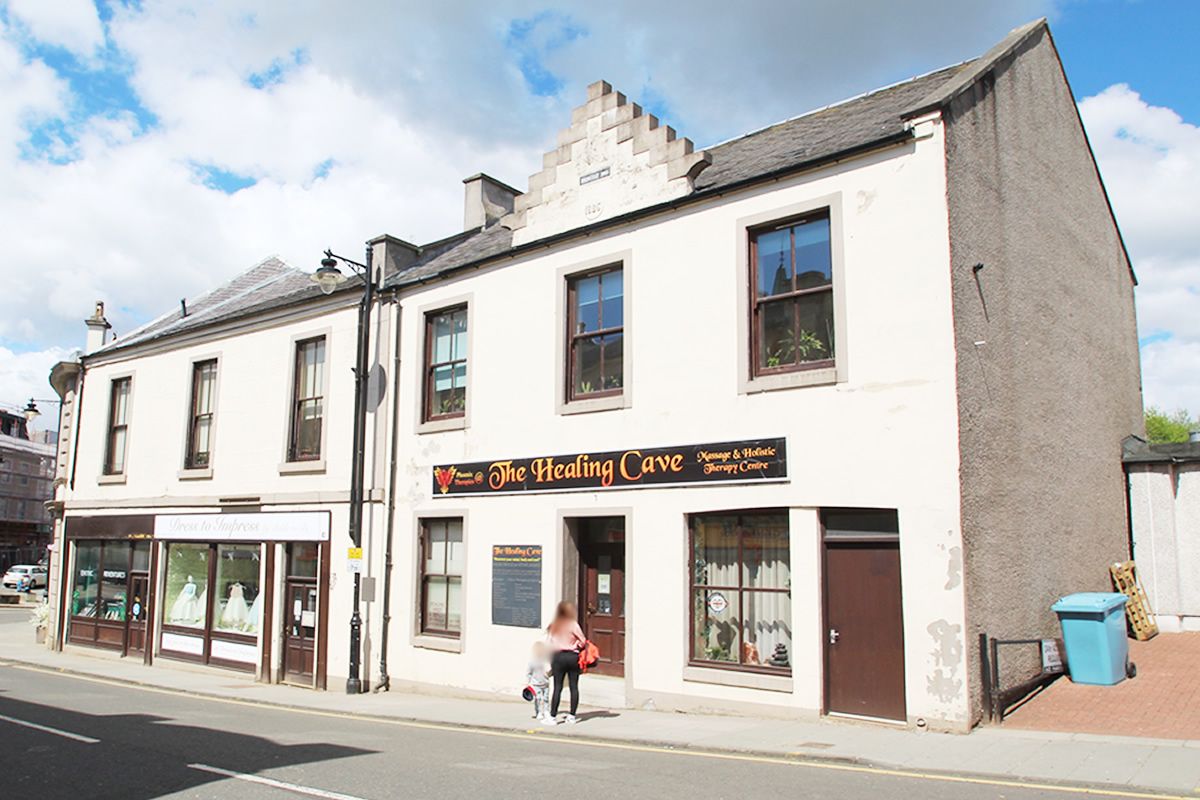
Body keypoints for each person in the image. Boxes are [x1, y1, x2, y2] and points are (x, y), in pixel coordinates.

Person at [544, 600, 586, 725]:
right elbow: (583, 641)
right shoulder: (573, 624)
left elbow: (549, 643)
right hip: (573, 656)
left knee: (558, 687)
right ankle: (572, 715)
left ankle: (552, 717)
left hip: (558, 657)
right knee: (574, 686)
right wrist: (577, 644)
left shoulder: (554, 625)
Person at [524, 640, 552, 721]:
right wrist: (527, 682)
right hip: (536, 684)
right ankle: (539, 712)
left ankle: (546, 711)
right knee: (538, 698)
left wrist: (549, 672)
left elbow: (549, 670)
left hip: (545, 683)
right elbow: (529, 672)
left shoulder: (545, 660)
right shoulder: (532, 662)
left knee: (546, 698)